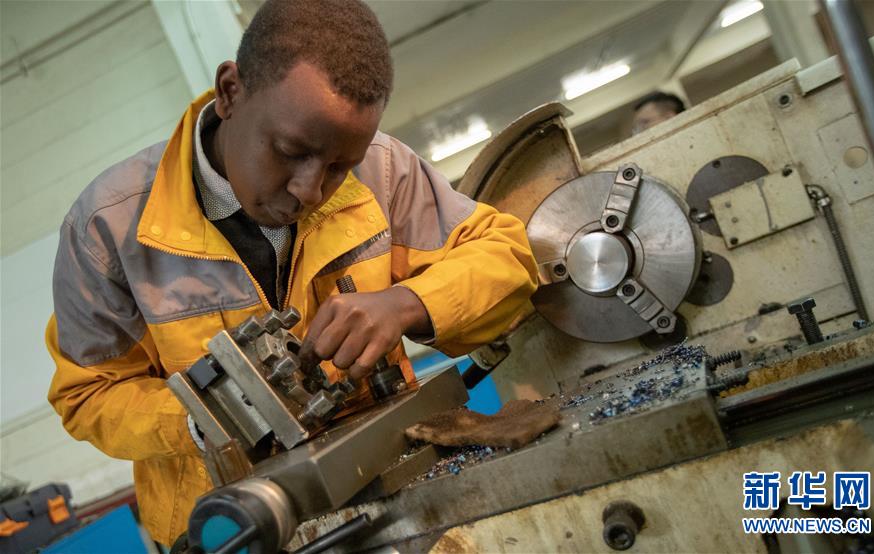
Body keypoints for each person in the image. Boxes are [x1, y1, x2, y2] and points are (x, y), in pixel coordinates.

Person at [45, 0, 538, 545]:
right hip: (237, 528)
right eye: (289, 151)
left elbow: (507, 255)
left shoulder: (383, 170)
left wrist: (407, 305)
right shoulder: (108, 229)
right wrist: (202, 417)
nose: (310, 189)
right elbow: (88, 394)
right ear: (232, 92)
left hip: (395, 491)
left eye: (337, 167)